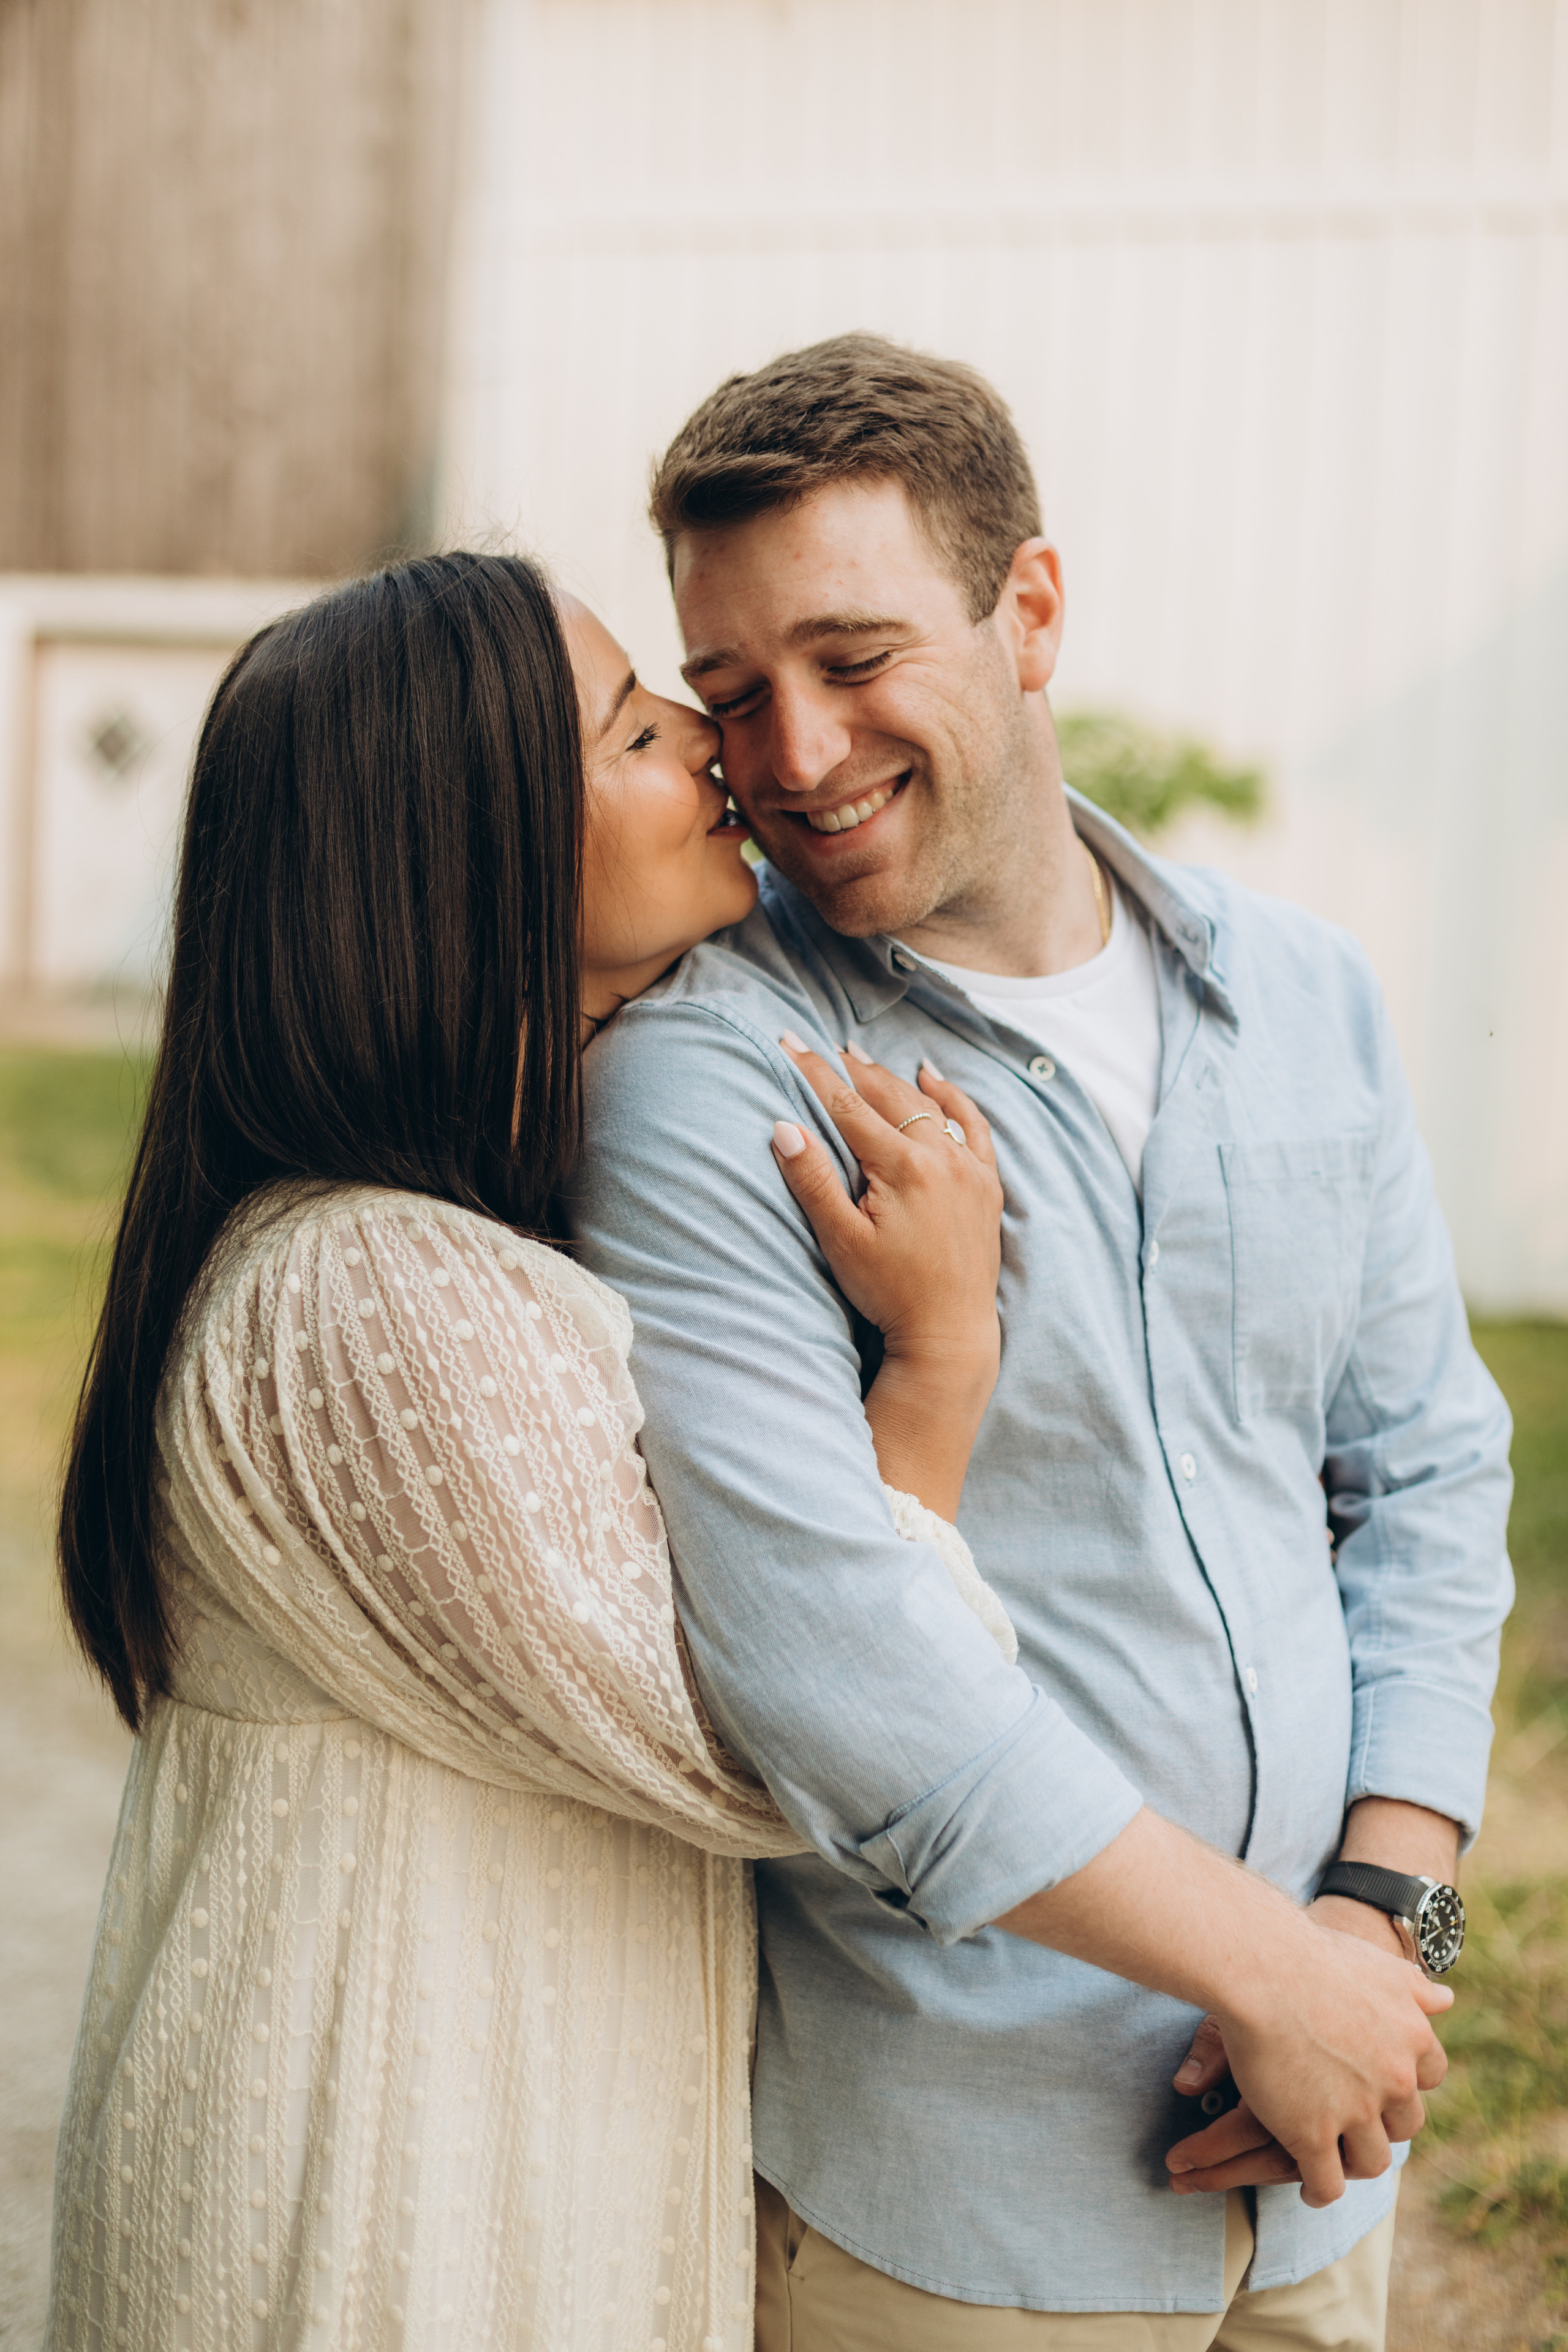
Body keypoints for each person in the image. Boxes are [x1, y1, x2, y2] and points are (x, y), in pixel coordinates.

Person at [569, 334, 1515, 2349]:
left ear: (1034, 613)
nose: (795, 755)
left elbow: (1425, 1466)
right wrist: (1277, 1974)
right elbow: (831, 1659)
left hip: (1328, 2171)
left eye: (852, 658)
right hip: (958, 2215)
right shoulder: (704, 1085)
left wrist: (1380, 1916)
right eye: (728, 696)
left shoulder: (1306, 993)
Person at [46, 552, 1014, 2352]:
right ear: (462, 850)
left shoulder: (464, 1241)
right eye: (640, 731)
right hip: (388, 2216)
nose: (719, 755)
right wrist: (941, 1365)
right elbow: (779, 1738)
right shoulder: (370, 1297)